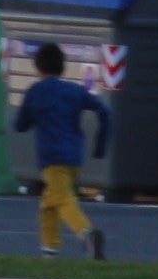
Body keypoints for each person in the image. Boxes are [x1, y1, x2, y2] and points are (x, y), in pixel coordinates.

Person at [12, 41, 110, 259]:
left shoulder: (36, 91)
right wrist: (101, 143)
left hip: (51, 156)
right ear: (63, 66)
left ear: (37, 67)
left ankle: (86, 234)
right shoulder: (74, 90)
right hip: (75, 155)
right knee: (49, 201)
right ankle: (49, 250)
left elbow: (20, 125)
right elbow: (104, 109)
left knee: (63, 198)